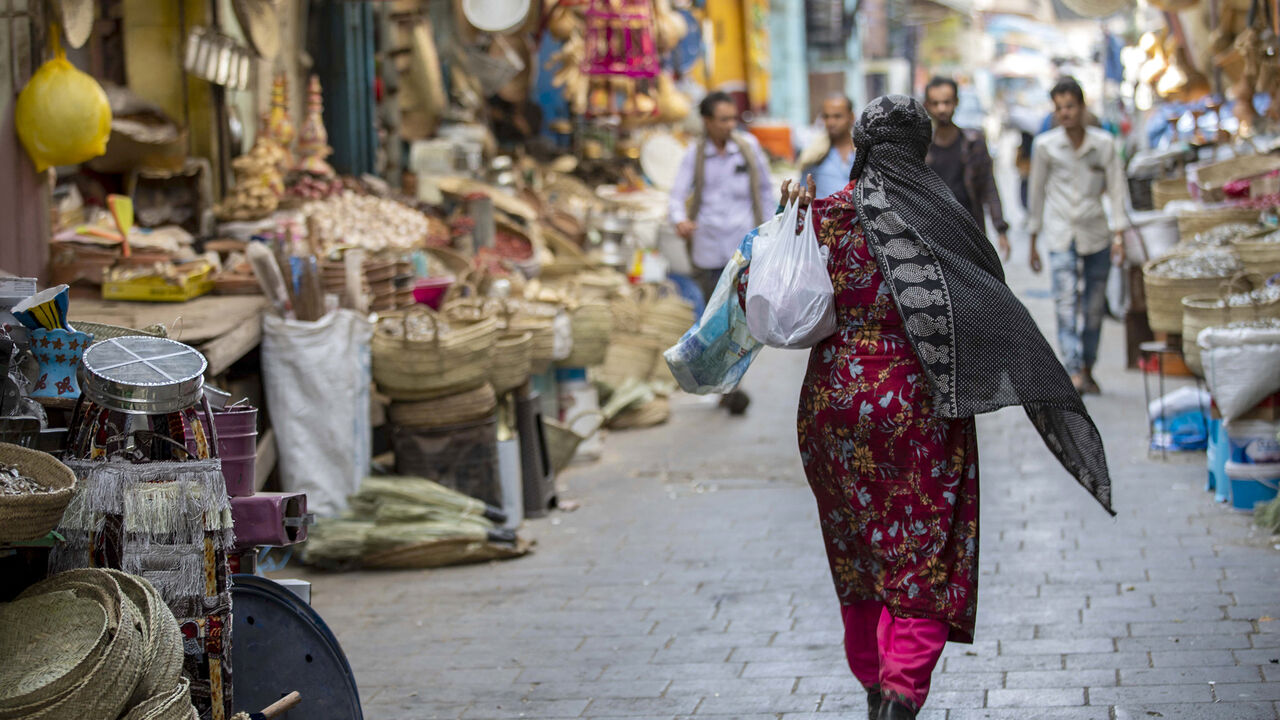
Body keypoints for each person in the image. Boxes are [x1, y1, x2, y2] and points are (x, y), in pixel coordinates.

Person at [745, 95, 1112, 720]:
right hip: (915, 409)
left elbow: (761, 289)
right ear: (921, 148)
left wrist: (788, 220)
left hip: (831, 409)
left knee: (858, 550)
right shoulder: (942, 219)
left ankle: (873, 684)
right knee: (921, 547)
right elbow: (988, 302)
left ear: (862, 145)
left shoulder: (824, 216)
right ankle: (898, 692)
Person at [669, 91, 774, 415]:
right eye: (723, 119)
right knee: (715, 320)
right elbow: (676, 195)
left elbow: (766, 190)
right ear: (707, 122)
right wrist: (679, 220)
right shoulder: (694, 154)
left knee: (740, 319)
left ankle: (731, 382)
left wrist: (772, 232)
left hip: (744, 250)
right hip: (708, 250)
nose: (730, 125)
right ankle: (728, 384)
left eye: (733, 118)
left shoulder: (748, 148)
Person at [1026, 77, 1130, 395]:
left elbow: (1116, 190)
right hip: (1060, 235)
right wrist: (1033, 239)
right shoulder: (1045, 146)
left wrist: (1119, 235)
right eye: (1059, 108)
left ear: (1082, 107)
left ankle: (1088, 365)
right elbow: (1037, 192)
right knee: (1066, 302)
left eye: (1070, 106)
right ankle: (1072, 368)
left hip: (1096, 232)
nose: (1065, 113)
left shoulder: (1104, 145)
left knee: (1095, 306)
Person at [922, 77, 1011, 261]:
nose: (941, 109)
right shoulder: (921, 147)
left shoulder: (973, 142)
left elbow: (988, 185)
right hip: (933, 237)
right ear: (927, 105)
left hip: (969, 233)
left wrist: (1000, 229)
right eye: (936, 103)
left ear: (956, 102)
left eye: (946, 102)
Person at [798, 94, 857, 199]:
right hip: (825, 214)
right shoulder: (814, 154)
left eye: (837, 116)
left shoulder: (862, 151)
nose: (831, 122)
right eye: (826, 117)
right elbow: (804, 194)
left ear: (851, 117)